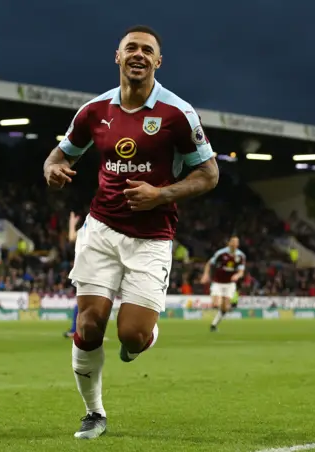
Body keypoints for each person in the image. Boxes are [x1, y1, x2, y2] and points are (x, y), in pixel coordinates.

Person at [42, 24, 219, 440]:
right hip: (101, 229)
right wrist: (51, 168)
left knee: (133, 336)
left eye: (147, 50)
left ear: (158, 62)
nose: (138, 55)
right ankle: (94, 413)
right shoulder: (93, 111)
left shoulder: (178, 114)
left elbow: (209, 174)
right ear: (117, 57)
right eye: (131, 49)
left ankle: (143, 336)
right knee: (88, 325)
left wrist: (161, 194)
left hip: (152, 238)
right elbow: (59, 154)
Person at [200, 236, 246, 332]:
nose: (235, 244)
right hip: (218, 282)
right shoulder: (221, 253)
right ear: (229, 243)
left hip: (230, 284)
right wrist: (205, 275)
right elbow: (209, 263)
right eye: (233, 242)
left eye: (237, 242)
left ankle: (214, 324)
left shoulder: (241, 256)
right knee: (216, 303)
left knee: (225, 308)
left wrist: (237, 275)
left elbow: (241, 271)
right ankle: (217, 313)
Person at [64, 211, 82, 339]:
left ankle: (76, 330)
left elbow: (72, 237)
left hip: (88, 270)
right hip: (89, 270)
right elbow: (72, 237)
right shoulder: (93, 227)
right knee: (83, 302)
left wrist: (72, 224)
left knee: (84, 302)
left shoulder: (92, 226)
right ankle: (75, 330)